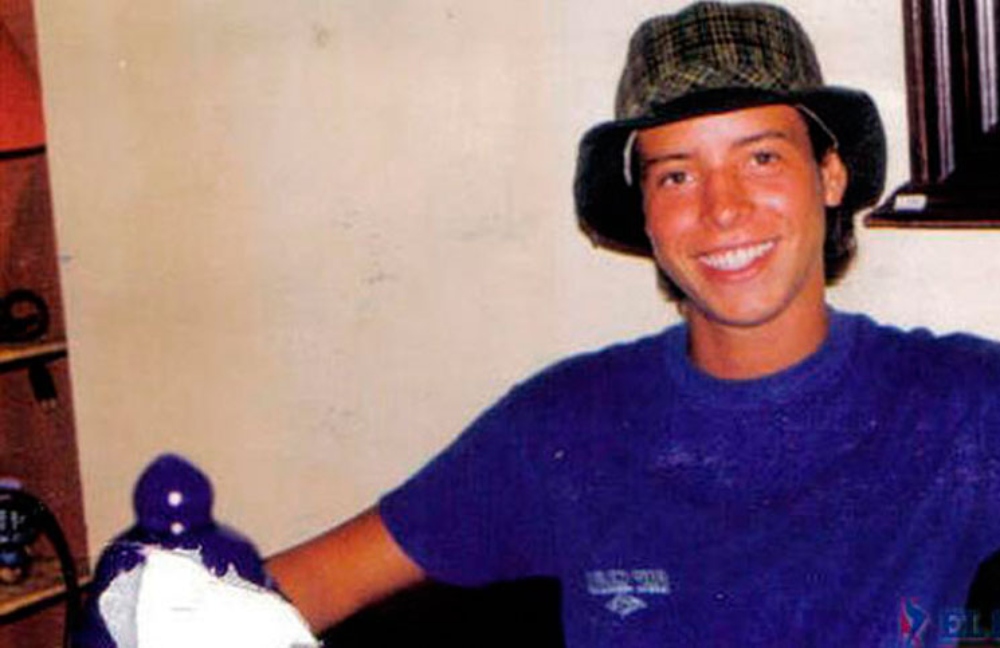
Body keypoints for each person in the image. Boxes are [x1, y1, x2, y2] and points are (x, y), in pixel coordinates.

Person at [267, 2, 1000, 645]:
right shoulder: (565, 423)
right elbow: (296, 587)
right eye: (677, 174)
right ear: (645, 211)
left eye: (761, 158)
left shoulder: (961, 405)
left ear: (829, 176)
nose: (722, 208)